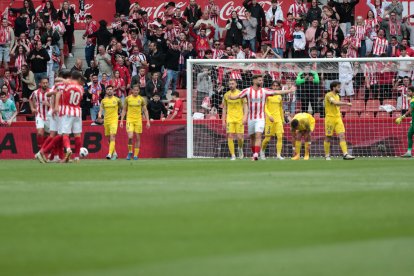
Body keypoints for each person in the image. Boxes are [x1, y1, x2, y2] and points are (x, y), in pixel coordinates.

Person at [228, 75, 295, 161]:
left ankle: (256, 155)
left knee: (258, 135)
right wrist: (231, 97)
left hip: (261, 118)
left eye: (262, 80)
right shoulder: (247, 91)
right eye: (260, 80)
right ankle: (254, 153)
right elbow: (237, 96)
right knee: (252, 137)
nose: (261, 82)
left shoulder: (264, 91)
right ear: (254, 81)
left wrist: (289, 90)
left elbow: (276, 92)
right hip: (251, 118)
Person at [55, 71, 84, 162]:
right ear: (79, 78)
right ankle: (77, 157)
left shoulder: (66, 84)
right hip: (78, 111)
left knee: (65, 133)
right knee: (77, 134)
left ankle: (68, 149)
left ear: (71, 77)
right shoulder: (81, 88)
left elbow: (56, 83)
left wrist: (64, 80)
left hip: (67, 111)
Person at [324, 81, 355, 160]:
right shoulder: (328, 95)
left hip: (338, 118)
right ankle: (327, 155)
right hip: (330, 118)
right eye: (338, 87)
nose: (340, 88)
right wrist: (346, 104)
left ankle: (345, 154)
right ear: (334, 88)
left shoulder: (337, 96)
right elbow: (335, 103)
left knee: (342, 136)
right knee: (328, 137)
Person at [120, 85, 150, 160]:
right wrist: (121, 120)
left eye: (137, 90)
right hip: (130, 119)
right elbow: (124, 110)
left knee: (137, 138)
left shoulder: (141, 99)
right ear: (132, 90)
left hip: (138, 120)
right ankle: (130, 152)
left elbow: (145, 110)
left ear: (138, 91)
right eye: (134, 90)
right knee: (130, 137)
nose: (136, 91)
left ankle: (136, 155)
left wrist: (148, 121)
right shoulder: (127, 98)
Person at [222, 79, 247, 160]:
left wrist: (245, 117)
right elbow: (224, 108)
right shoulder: (226, 95)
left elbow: (245, 106)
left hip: (239, 118)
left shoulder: (241, 94)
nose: (231, 85)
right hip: (230, 118)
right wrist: (223, 120)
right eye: (230, 84)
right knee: (230, 135)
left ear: (236, 84)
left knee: (240, 137)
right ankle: (233, 155)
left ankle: (240, 148)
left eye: (232, 84)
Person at [260, 81, 285, 160]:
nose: (275, 87)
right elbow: (264, 107)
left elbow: (281, 108)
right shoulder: (268, 96)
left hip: (278, 119)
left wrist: (282, 119)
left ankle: (278, 155)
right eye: (273, 85)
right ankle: (262, 151)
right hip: (269, 120)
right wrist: (269, 115)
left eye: (276, 86)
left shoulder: (279, 96)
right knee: (267, 139)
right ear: (271, 86)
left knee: (280, 137)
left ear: (278, 87)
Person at [98, 85, 122, 160]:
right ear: (106, 91)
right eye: (108, 89)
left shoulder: (117, 100)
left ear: (113, 91)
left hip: (114, 120)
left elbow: (123, 109)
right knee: (109, 139)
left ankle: (109, 154)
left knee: (112, 137)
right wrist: (99, 115)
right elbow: (101, 110)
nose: (109, 91)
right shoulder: (103, 101)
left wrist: (119, 116)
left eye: (111, 89)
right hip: (106, 121)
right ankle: (114, 153)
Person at [29, 78, 50, 150]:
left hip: (49, 117)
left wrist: (49, 105)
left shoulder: (51, 92)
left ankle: (47, 149)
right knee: (40, 133)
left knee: (49, 134)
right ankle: (40, 150)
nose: (45, 84)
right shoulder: (35, 92)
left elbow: (57, 105)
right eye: (43, 83)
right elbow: (30, 99)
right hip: (39, 115)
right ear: (40, 84)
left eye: (46, 83)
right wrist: (32, 108)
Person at [395, 86, 414, 157]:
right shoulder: (412, 99)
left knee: (409, 134)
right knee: (409, 134)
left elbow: (410, 110)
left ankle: (409, 152)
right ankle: (409, 152)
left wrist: (402, 117)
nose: (408, 92)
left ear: (413, 92)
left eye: (409, 91)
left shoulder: (413, 100)